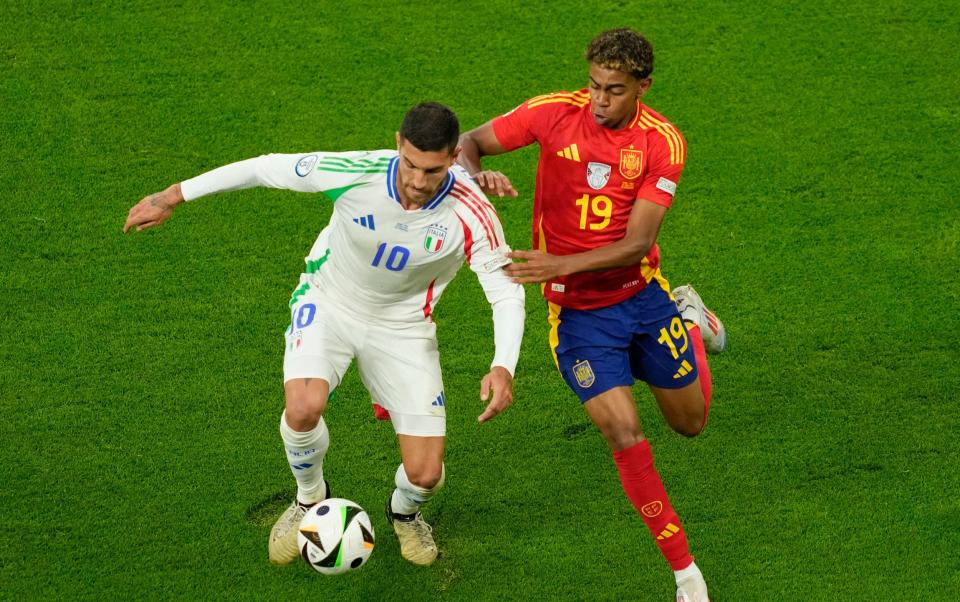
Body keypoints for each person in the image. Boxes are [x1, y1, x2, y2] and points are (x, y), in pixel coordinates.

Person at [124, 102, 525, 567]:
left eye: (432, 170)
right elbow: (263, 168)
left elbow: (505, 291)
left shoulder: (473, 211)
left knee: (426, 474)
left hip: (403, 327)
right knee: (303, 407)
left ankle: (405, 514)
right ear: (398, 143)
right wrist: (173, 195)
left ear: (455, 157)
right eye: (410, 164)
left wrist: (503, 365)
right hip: (330, 299)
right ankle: (308, 500)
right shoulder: (355, 171)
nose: (417, 181)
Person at [458, 29, 725, 602]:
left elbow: (636, 243)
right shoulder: (555, 113)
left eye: (614, 90)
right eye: (595, 86)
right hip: (579, 317)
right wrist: (477, 174)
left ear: (642, 88)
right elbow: (468, 141)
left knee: (690, 424)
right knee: (623, 431)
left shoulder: (663, 143)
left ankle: (688, 318)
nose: (600, 100)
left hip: (640, 295)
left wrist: (558, 260)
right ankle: (686, 574)